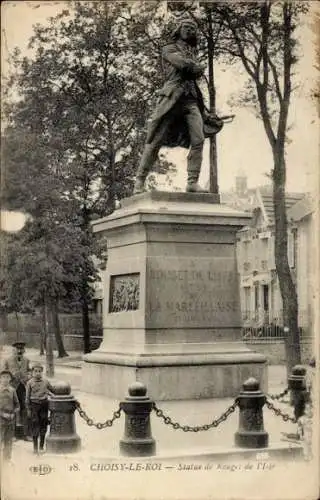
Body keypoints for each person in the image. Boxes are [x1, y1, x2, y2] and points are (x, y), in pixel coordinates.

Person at [133, 15, 223, 195]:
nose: (190, 31)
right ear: (179, 31)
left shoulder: (192, 52)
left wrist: (205, 112)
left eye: (193, 29)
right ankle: (139, 181)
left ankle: (192, 182)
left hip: (190, 101)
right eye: (186, 27)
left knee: (198, 140)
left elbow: (194, 73)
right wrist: (194, 67)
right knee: (155, 140)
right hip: (171, 100)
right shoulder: (169, 48)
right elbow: (182, 65)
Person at [3, 341, 31, 439]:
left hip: (23, 387)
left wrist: (27, 377)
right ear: (14, 350)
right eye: (17, 349)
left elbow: (29, 371)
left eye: (21, 349)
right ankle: (12, 434)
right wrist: (11, 376)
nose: (19, 351)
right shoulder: (7, 360)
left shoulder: (27, 360)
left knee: (24, 409)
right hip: (12, 387)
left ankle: (25, 434)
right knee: (12, 409)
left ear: (24, 350)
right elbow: (3, 373)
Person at [25, 363, 54, 454]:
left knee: (43, 424)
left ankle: (41, 446)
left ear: (42, 372)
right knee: (35, 425)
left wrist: (56, 393)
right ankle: (35, 448)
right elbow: (27, 397)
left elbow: (52, 390)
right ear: (32, 372)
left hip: (44, 405)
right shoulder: (29, 383)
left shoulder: (46, 381)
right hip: (34, 406)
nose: (38, 373)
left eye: (40, 371)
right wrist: (28, 409)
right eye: (35, 371)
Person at [0, 369, 20, 462]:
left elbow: (17, 405)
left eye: (7, 377)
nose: (5, 379)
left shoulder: (12, 390)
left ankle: (7, 459)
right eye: (3, 377)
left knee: (8, 441)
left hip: (10, 419)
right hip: (0, 419)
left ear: (10, 379)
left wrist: (13, 413)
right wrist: (3, 414)